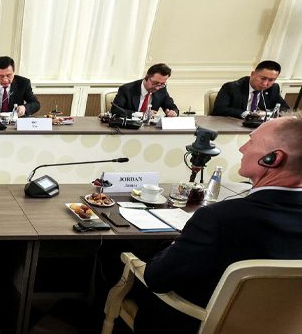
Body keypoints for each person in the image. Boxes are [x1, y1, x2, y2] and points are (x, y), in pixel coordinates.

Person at [135, 114, 302, 333]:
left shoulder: (218, 219)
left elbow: (156, 279)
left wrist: (175, 245)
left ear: (273, 158)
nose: (242, 148)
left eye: (251, 141)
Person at [212, 60, 290, 118]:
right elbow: (219, 109)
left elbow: (285, 109)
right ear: (253, 74)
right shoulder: (231, 87)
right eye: (263, 78)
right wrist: (248, 114)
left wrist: (266, 113)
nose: (265, 83)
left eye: (271, 80)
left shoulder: (273, 88)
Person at [111, 63, 179, 118]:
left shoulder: (162, 89)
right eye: (155, 83)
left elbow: (172, 106)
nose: (157, 88)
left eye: (162, 84)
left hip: (149, 129)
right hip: (129, 128)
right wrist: (140, 115)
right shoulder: (126, 89)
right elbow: (115, 110)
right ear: (147, 77)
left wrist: (173, 112)